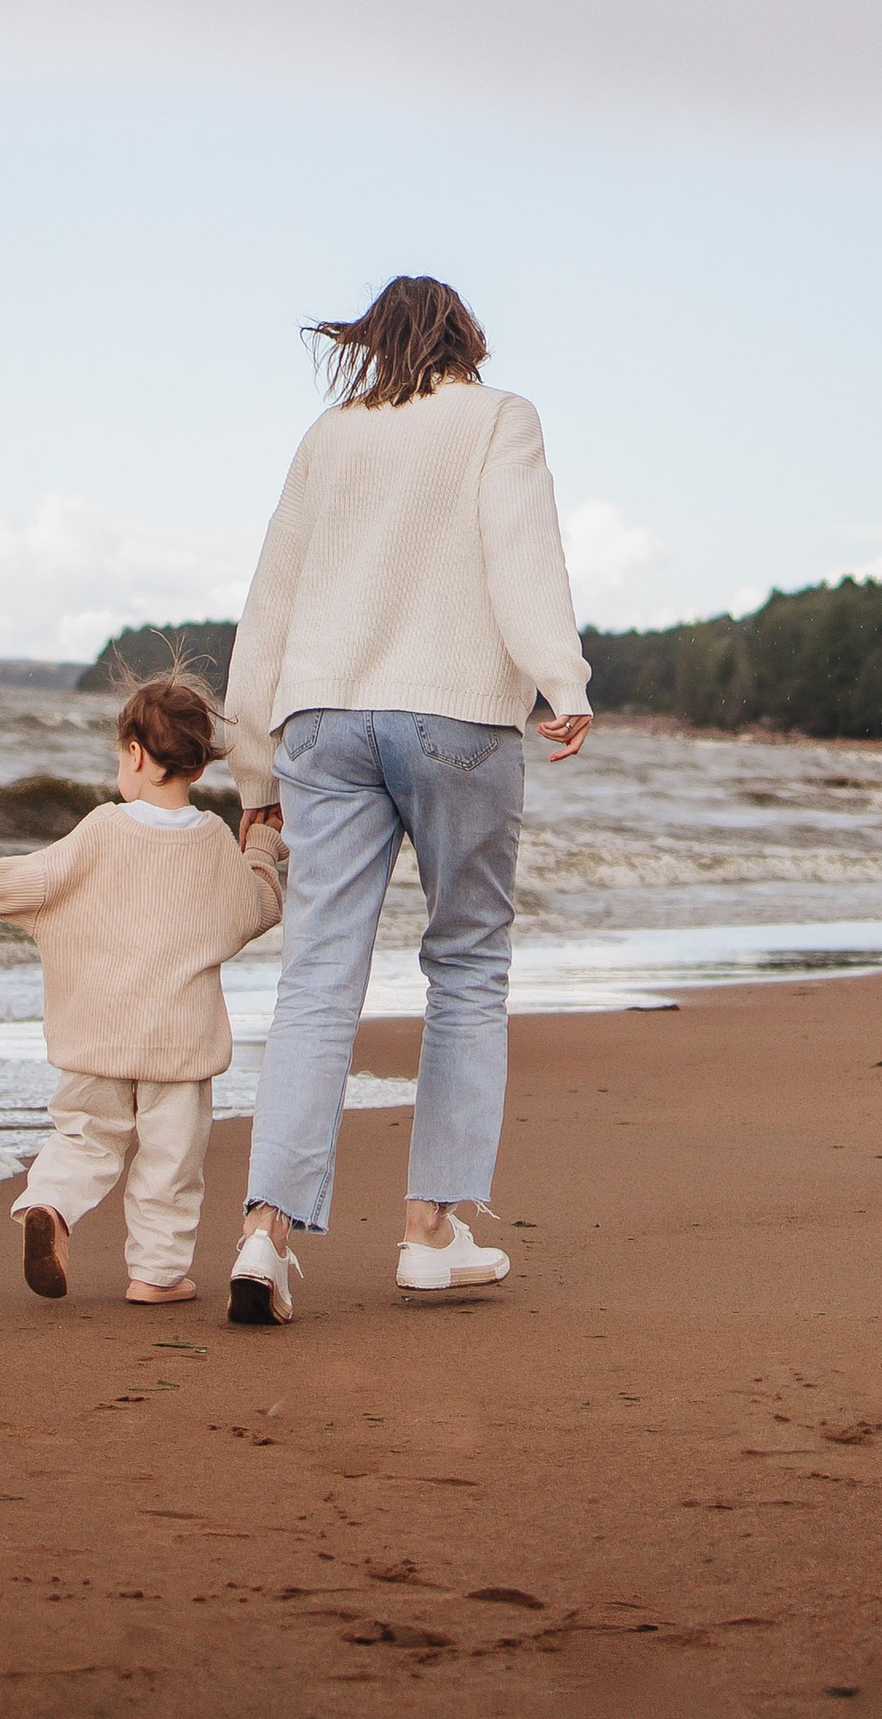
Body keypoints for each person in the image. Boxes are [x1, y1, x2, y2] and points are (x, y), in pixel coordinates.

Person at [220, 275, 592, 1325]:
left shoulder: (328, 436)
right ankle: (429, 1237)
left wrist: (254, 770)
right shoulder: (496, 419)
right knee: (467, 960)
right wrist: (560, 680)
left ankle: (262, 1234)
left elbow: (271, 598)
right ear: (466, 341)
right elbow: (522, 554)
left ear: (371, 343)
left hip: (323, 720)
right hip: (454, 716)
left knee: (317, 976)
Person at [0, 672, 283, 1306]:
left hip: (98, 1034)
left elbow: (28, 882)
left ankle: (50, 1207)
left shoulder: (103, 829)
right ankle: (157, 1276)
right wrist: (265, 848)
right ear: (196, 763)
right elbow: (254, 909)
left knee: (83, 1136)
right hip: (178, 1043)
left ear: (135, 752)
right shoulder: (215, 840)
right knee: (172, 1160)